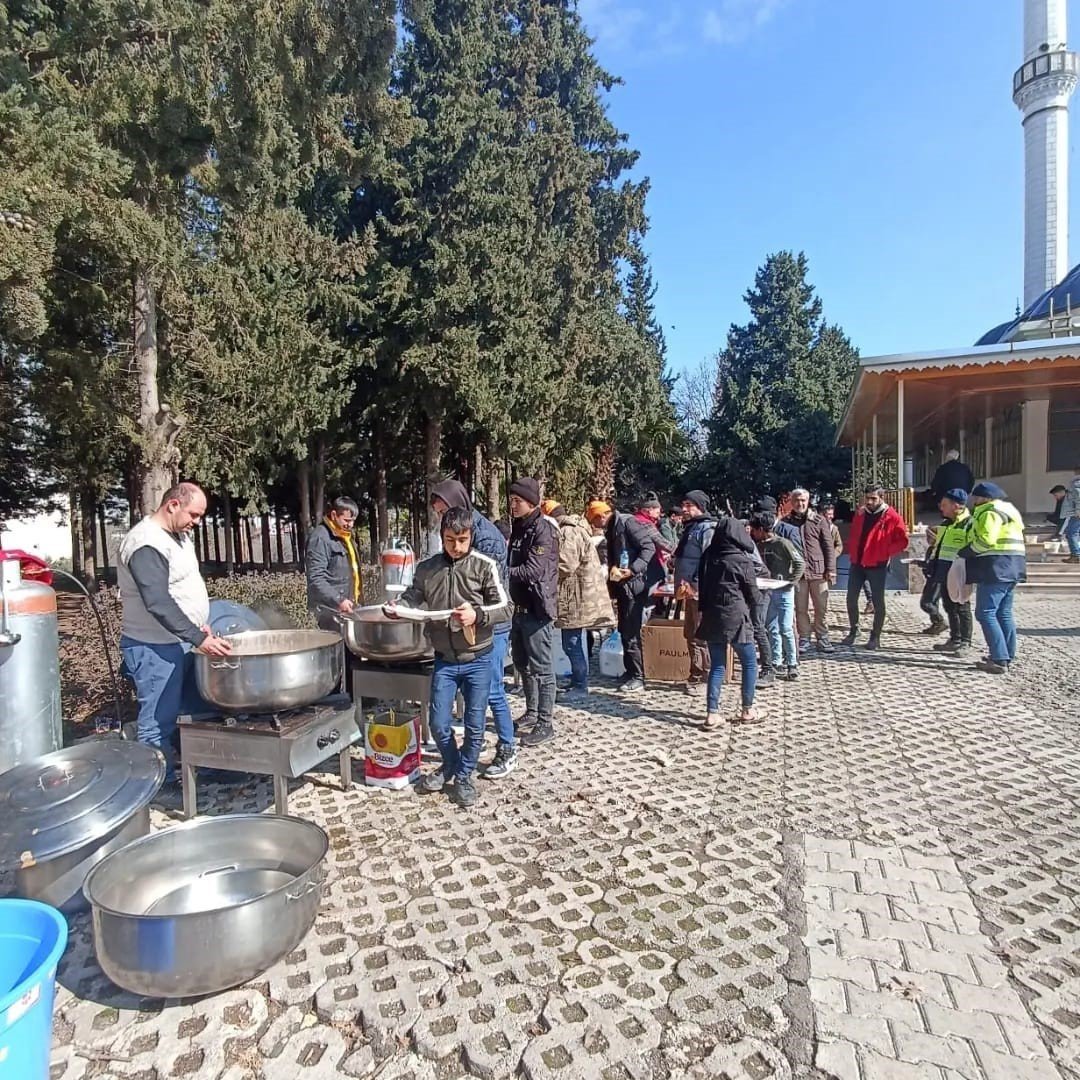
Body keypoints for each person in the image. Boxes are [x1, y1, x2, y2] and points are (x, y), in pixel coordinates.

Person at [389, 507, 511, 807]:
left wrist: (477, 614)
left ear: (471, 536)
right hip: (444, 659)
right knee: (439, 723)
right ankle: (451, 763)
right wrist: (397, 606)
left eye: (462, 540)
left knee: (474, 723)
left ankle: (465, 775)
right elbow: (412, 597)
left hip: (479, 658)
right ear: (440, 536)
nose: (456, 546)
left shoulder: (484, 566)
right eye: (449, 539)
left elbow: (506, 608)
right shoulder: (428, 568)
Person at [117, 483, 232, 792]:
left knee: (199, 709)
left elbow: (181, 589)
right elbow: (158, 602)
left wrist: (199, 625)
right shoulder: (145, 544)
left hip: (182, 640)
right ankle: (156, 786)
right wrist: (198, 637)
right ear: (172, 505)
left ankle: (205, 769)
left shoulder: (178, 536)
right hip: (153, 646)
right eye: (194, 514)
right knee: (158, 720)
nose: (197, 521)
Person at [430, 480, 516, 779]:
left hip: (491, 623)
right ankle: (464, 751)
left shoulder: (486, 536)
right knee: (473, 695)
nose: (443, 518)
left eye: (445, 510)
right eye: (439, 514)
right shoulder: (455, 535)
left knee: (492, 689)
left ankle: (507, 747)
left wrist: (474, 612)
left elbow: (490, 589)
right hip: (461, 628)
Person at [508, 478, 560, 744]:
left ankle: (545, 722)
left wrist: (502, 573)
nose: (513, 505)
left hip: (537, 609)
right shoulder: (519, 528)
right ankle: (530, 711)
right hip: (518, 609)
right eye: (512, 500)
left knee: (542, 668)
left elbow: (534, 570)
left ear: (531, 502)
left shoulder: (543, 530)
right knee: (522, 664)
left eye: (518, 501)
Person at [696, 522, 762, 728]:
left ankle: (712, 713)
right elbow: (752, 593)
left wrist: (703, 611)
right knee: (749, 661)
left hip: (712, 615)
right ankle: (748, 710)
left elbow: (702, 587)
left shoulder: (708, 555)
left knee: (717, 665)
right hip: (736, 616)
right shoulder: (741, 559)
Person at [549, 502, 614, 700]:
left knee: (572, 643)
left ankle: (580, 686)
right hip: (577, 594)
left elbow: (566, 564)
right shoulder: (574, 529)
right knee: (572, 642)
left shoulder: (568, 532)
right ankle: (577, 681)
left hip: (575, 597)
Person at [594, 503, 662, 693]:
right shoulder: (613, 527)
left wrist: (632, 570)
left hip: (635, 583)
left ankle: (637, 676)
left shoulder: (628, 523)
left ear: (602, 515)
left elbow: (648, 547)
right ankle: (630, 670)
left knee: (631, 630)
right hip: (623, 585)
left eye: (595, 520)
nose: (595, 525)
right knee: (624, 629)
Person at [960, 482, 1026, 674]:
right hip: (1014, 566)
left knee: (985, 612)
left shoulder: (989, 512)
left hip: (996, 566)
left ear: (983, 498)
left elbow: (987, 540)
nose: (973, 501)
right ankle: (1006, 654)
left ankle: (998, 659)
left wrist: (969, 551)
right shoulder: (1009, 510)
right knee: (1003, 613)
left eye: (975, 498)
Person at [842, 484, 909, 650]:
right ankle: (854, 630)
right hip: (857, 562)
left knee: (878, 602)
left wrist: (885, 552)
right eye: (868, 498)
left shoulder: (892, 516)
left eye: (874, 498)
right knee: (851, 598)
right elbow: (855, 534)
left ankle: (875, 636)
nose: (870, 502)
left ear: (881, 498)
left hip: (877, 564)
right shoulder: (861, 514)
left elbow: (903, 540)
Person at [749, 511, 804, 681]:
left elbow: (799, 563)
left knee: (786, 627)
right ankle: (776, 661)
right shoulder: (757, 546)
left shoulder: (783, 543)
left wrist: (791, 582)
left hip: (784, 590)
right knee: (771, 627)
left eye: (754, 529)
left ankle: (792, 663)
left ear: (762, 529)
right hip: (767, 591)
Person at [672, 490, 717, 693]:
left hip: (699, 592)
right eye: (684, 504)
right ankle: (696, 672)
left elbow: (709, 561)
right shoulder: (691, 528)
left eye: (689, 505)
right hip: (688, 592)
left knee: (699, 635)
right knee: (690, 633)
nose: (684, 509)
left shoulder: (706, 529)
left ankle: (701, 677)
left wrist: (696, 585)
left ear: (700, 507)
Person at [782, 489, 836, 654]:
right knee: (800, 608)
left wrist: (831, 569)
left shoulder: (819, 520)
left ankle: (822, 636)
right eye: (797, 500)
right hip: (797, 573)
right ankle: (804, 637)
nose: (800, 504)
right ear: (792, 501)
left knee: (821, 607)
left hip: (818, 571)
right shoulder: (785, 522)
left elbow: (828, 546)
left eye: (804, 500)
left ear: (809, 501)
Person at [927, 490, 974, 656]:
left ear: (956, 505)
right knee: (949, 606)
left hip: (960, 572)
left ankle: (965, 642)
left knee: (962, 607)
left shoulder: (969, 523)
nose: (941, 508)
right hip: (944, 571)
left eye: (945, 504)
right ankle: (955, 639)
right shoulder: (947, 524)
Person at [306, 496, 362, 630]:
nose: (350, 525)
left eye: (353, 521)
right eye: (347, 520)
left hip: (348, 609)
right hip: (330, 612)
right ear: (334, 515)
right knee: (338, 650)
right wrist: (339, 600)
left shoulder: (346, 536)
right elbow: (316, 578)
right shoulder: (320, 538)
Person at [1059, 469, 1080, 563]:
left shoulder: (1076, 483)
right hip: (1075, 513)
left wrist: (1078, 511)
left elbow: (1078, 498)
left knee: (1071, 533)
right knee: (1072, 533)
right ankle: (1075, 554)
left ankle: (1076, 555)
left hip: (1076, 514)